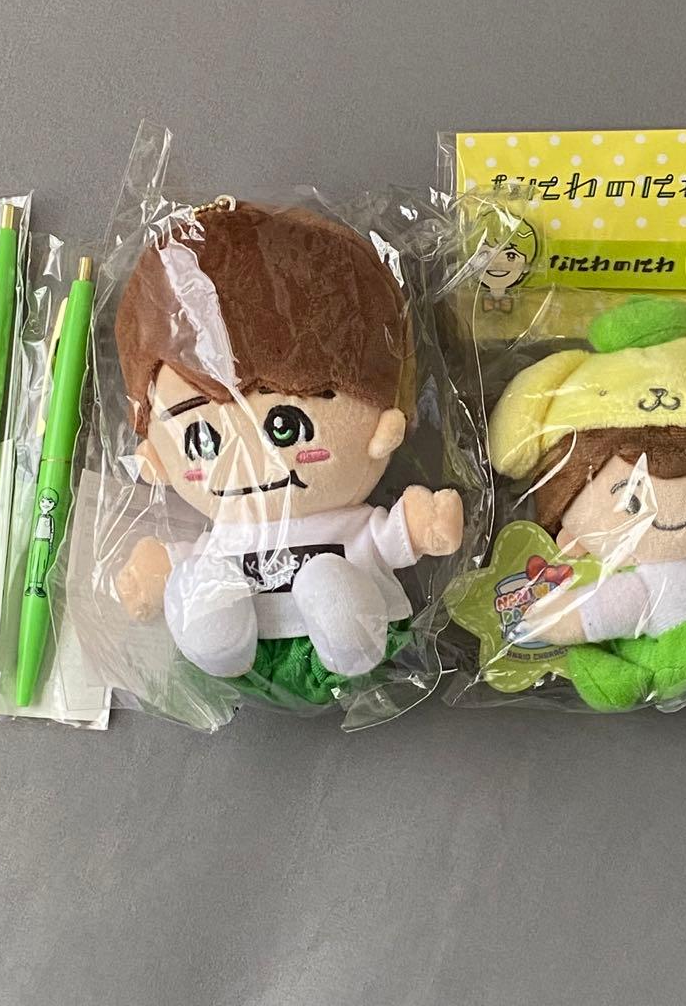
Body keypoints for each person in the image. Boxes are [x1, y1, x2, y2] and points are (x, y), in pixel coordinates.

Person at [113, 201, 463, 706]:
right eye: (202, 440)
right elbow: (185, 559)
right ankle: (218, 642)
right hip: (248, 653)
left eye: (286, 427)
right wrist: (158, 570)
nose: (251, 461)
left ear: (383, 427)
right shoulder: (222, 535)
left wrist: (422, 523)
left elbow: (390, 536)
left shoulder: (349, 521)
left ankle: (342, 633)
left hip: (350, 643)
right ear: (157, 458)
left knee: (331, 585)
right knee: (204, 584)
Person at [488, 296, 686, 710]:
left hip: (675, 654)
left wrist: (553, 618)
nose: (672, 511)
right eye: (631, 499)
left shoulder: (646, 585)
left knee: (611, 666)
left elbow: (607, 609)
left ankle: (627, 677)